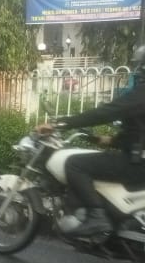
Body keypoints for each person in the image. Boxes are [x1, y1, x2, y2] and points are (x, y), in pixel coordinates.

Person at [37, 44, 145, 236]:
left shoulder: (141, 94)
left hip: (137, 164)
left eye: (139, 66)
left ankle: (97, 216)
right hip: (137, 158)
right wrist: (111, 140)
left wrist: (61, 124)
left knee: (75, 164)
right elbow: (138, 130)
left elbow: (108, 112)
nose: (137, 71)